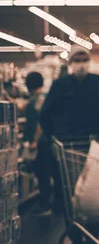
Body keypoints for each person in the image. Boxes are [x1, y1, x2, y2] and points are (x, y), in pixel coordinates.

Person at [39, 46, 99, 244]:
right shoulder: (60, 85)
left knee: (93, 197)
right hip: (66, 147)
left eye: (84, 59)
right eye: (76, 59)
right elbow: (45, 113)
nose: (80, 63)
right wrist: (52, 138)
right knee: (72, 199)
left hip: (92, 147)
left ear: (90, 61)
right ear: (70, 63)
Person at [22, 72, 54, 216]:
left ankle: (45, 205)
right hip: (45, 141)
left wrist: (35, 140)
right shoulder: (39, 98)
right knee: (45, 172)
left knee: (43, 173)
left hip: (41, 142)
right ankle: (46, 203)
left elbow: (41, 121)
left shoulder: (40, 99)